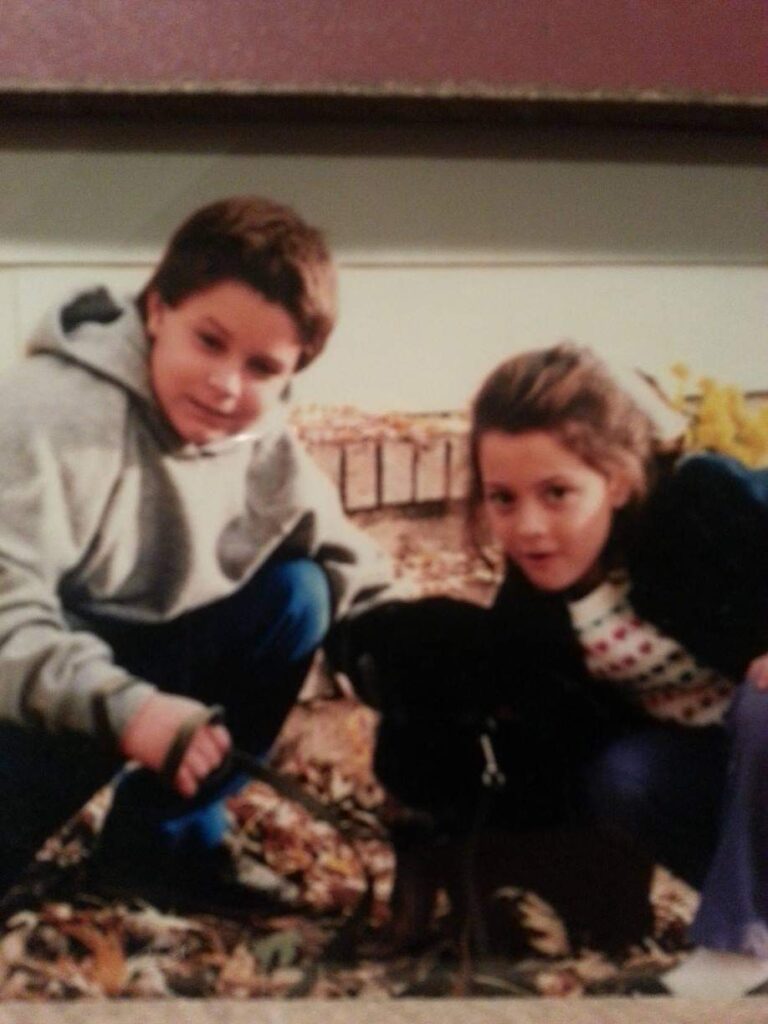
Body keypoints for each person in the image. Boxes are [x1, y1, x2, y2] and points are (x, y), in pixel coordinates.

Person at [334, 342, 768, 996]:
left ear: (617, 480)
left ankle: (740, 950)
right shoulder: (541, 605)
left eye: (557, 493)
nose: (529, 526)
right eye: (503, 500)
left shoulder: (700, 508)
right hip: (735, 791)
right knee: (622, 774)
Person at [0, 196, 399, 903]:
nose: (227, 386)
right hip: (27, 697)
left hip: (110, 685)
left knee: (300, 593)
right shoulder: (49, 411)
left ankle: (164, 848)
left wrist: (428, 672)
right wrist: (131, 710)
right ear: (156, 311)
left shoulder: (259, 439)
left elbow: (352, 567)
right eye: (209, 342)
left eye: (262, 368)